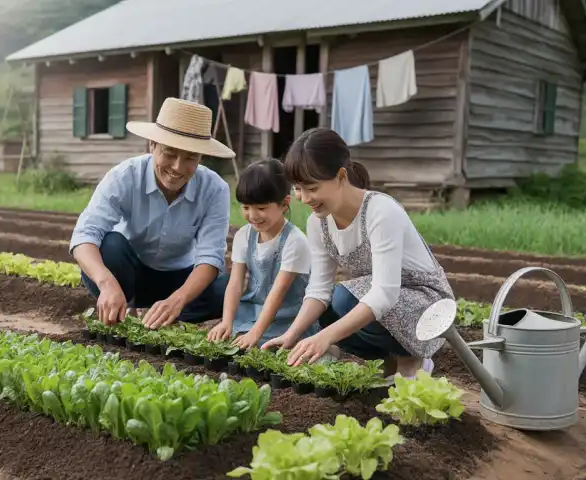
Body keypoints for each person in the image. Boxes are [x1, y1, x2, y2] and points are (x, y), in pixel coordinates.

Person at [262, 127, 455, 379]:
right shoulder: (318, 223)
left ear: (341, 176)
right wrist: (292, 334)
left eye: (311, 188)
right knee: (328, 304)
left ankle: (412, 359)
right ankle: (389, 361)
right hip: (387, 303)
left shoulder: (380, 211)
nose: (304, 198)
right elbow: (319, 289)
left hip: (429, 307)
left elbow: (385, 293)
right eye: (297, 189)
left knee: (344, 298)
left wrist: (325, 337)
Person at [70, 97, 233, 330]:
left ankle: (168, 314)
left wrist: (178, 299)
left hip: (180, 278)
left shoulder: (215, 189)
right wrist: (107, 284)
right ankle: (123, 302)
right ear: (152, 145)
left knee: (225, 289)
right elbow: (84, 236)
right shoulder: (124, 176)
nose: (177, 167)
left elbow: (210, 256)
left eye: (190, 158)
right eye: (170, 153)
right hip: (130, 273)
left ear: (201, 157)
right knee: (110, 246)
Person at [207, 159, 314, 348]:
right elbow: (235, 283)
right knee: (227, 337)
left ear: (284, 204)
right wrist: (226, 321)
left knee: (263, 345)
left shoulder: (295, 241)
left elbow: (278, 292)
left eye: (261, 208)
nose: (253, 215)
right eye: (246, 207)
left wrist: (255, 333)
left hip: (287, 315)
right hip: (254, 310)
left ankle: (329, 349)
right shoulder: (244, 235)